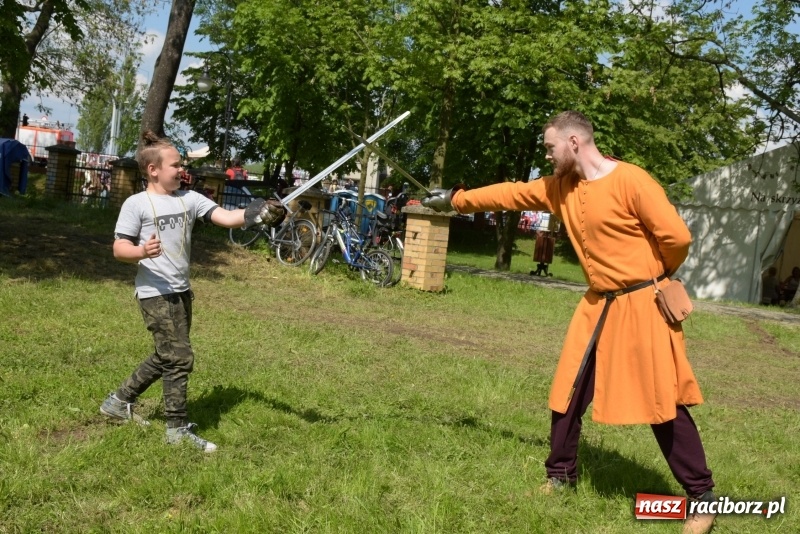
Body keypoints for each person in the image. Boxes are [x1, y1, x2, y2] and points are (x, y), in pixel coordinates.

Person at [422, 111, 717, 534]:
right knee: (568, 389)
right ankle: (560, 476)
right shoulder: (560, 187)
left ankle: (702, 497)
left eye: (550, 147)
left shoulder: (632, 181)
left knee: (661, 402)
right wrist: (456, 199)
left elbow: (678, 238)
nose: (547, 154)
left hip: (642, 306)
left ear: (574, 142)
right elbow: (510, 193)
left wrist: (654, 277)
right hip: (597, 305)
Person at [99, 131, 283, 452]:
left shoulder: (190, 199)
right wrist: (141, 251)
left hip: (181, 291)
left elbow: (226, 217)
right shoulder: (136, 204)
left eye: (181, 164)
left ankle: (118, 402)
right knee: (180, 357)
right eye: (175, 165)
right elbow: (119, 248)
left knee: (167, 354)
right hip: (154, 292)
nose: (181, 170)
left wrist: (257, 213)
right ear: (153, 170)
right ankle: (176, 430)